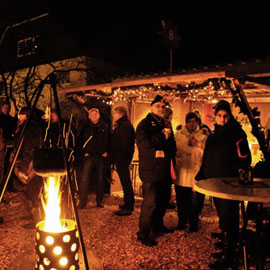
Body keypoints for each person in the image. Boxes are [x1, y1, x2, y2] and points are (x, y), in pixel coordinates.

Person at [196, 100, 251, 269]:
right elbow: (207, 157)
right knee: (222, 215)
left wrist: (238, 170)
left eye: (225, 116)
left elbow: (244, 157)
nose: (222, 118)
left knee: (230, 216)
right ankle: (226, 244)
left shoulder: (237, 133)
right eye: (219, 115)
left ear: (230, 116)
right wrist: (200, 176)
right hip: (215, 182)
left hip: (229, 182)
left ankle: (230, 255)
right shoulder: (214, 134)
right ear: (215, 116)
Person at [136, 95, 175, 247]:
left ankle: (158, 225)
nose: (161, 109)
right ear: (151, 107)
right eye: (158, 106)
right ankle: (143, 233)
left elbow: (172, 145)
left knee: (163, 200)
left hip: (164, 169)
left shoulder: (167, 124)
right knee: (150, 203)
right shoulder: (144, 125)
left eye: (163, 107)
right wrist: (162, 136)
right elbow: (144, 144)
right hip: (151, 171)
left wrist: (169, 147)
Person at [174, 112, 208, 233]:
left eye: (194, 121)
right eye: (189, 121)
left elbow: (209, 153)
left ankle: (193, 223)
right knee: (181, 200)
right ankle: (181, 222)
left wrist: (198, 144)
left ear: (198, 122)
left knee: (196, 201)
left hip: (196, 174)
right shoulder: (178, 135)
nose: (191, 124)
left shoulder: (203, 136)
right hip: (182, 172)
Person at [76, 107, 109, 208]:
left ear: (99, 116)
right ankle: (82, 201)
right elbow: (79, 141)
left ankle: (99, 201)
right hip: (89, 156)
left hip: (100, 156)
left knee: (100, 179)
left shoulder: (105, 127)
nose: (94, 116)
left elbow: (109, 140)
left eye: (96, 114)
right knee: (85, 179)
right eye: (92, 114)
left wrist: (107, 152)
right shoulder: (85, 128)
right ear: (89, 117)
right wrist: (83, 152)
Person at [110, 106, 135, 216]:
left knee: (126, 182)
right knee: (125, 181)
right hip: (123, 157)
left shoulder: (124, 126)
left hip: (122, 158)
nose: (113, 116)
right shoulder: (124, 125)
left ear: (120, 114)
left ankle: (129, 206)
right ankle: (127, 203)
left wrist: (119, 157)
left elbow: (123, 144)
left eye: (114, 114)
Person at [0, 102, 17, 191]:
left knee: (9, 165)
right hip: (2, 145)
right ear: (2, 108)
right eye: (5, 107)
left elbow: (14, 126)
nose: (6, 109)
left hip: (10, 144)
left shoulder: (10, 119)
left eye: (8, 108)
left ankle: (9, 185)